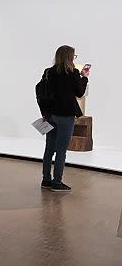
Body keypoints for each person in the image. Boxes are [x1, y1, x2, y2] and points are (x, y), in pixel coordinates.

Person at [37, 45, 89, 192]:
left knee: (49, 149)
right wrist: (84, 78)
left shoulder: (49, 72)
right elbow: (79, 93)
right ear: (69, 57)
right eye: (73, 56)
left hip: (50, 115)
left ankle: (46, 180)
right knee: (61, 151)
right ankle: (57, 182)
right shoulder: (73, 73)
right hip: (66, 116)